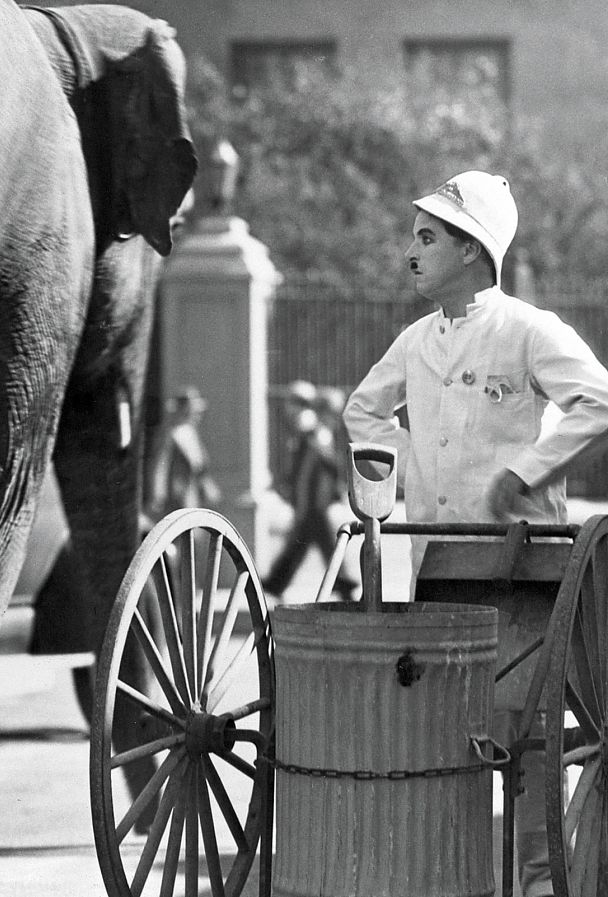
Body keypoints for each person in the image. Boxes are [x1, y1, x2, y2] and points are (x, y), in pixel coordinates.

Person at [344, 170, 608, 897]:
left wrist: (526, 470)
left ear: (471, 250)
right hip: (438, 570)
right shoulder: (413, 342)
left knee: (530, 747)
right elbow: (363, 414)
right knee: (444, 743)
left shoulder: (527, 330)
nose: (411, 251)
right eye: (414, 236)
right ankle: (457, 880)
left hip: (520, 573)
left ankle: (540, 883)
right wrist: (403, 476)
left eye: (427, 238)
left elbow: (598, 399)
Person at [261, 380, 358, 601]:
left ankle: (278, 582)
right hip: (314, 504)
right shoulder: (315, 435)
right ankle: (342, 582)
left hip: (315, 503)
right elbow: (308, 472)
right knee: (320, 545)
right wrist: (302, 501)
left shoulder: (316, 434)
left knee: (306, 545)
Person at [146, 386, 221, 520]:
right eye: (193, 412)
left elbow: (199, 465)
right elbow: (160, 466)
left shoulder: (191, 433)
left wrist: (208, 486)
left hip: (192, 494)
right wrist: (158, 494)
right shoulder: (171, 434)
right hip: (175, 495)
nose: (197, 416)